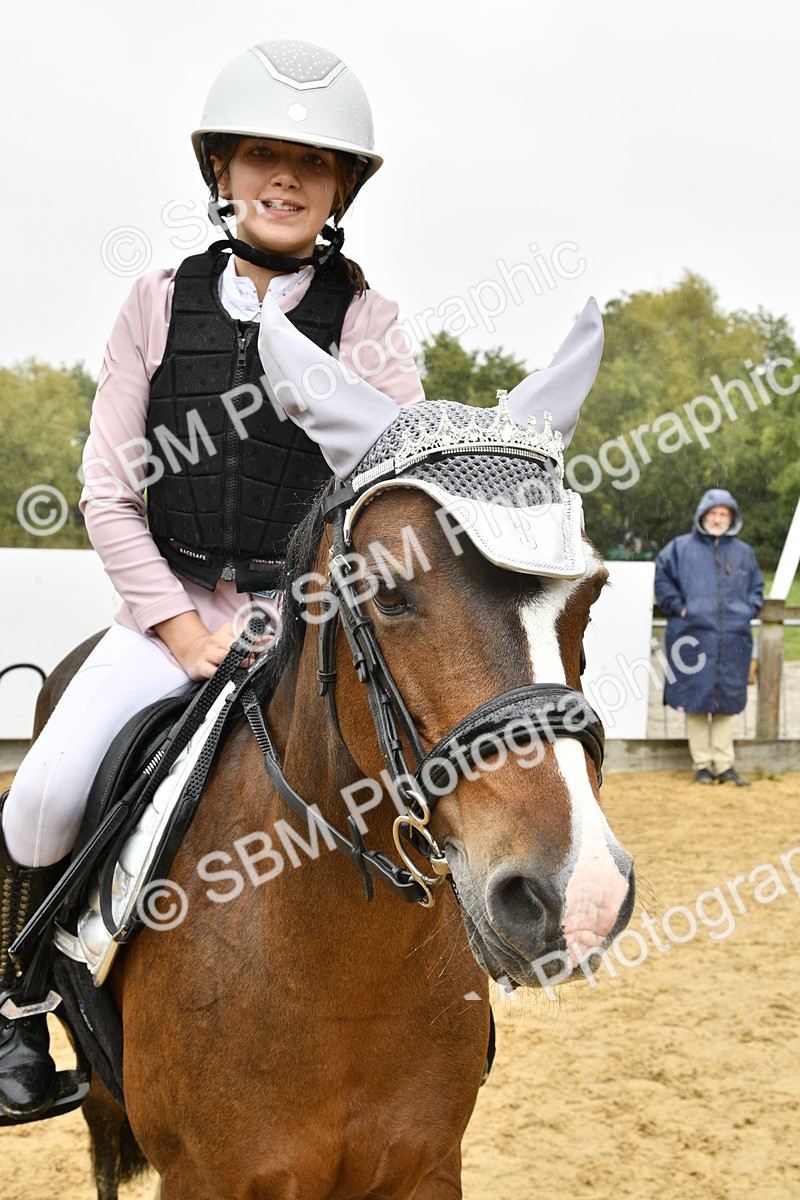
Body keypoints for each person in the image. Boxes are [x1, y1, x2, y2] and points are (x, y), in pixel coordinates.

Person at [0, 38, 424, 1121]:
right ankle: (16, 1010)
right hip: (169, 613)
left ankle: (445, 1018)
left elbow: (390, 497)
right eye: (261, 156)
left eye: (314, 163)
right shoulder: (154, 301)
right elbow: (107, 492)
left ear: (340, 189)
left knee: (425, 780)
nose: (285, 178)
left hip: (309, 626)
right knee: (41, 799)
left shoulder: (369, 325)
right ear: (222, 174)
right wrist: (181, 635)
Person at [655, 488, 764, 786]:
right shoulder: (678, 549)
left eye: (724, 514)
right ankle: (702, 764)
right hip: (692, 637)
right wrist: (679, 608)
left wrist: (747, 610)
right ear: (703, 515)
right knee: (696, 698)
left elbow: (757, 588)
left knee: (727, 699)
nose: (718, 519)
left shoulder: (744, 553)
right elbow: (663, 581)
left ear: (731, 518)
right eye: (713, 513)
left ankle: (724, 763)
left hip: (734, 637)